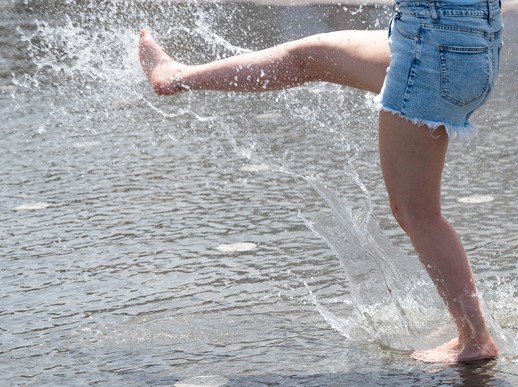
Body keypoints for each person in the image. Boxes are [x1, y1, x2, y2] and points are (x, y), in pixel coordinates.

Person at [138, 0, 503, 364]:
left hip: (433, 47)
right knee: (306, 57)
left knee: (417, 213)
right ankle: (176, 76)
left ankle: (475, 339)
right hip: (463, 40)